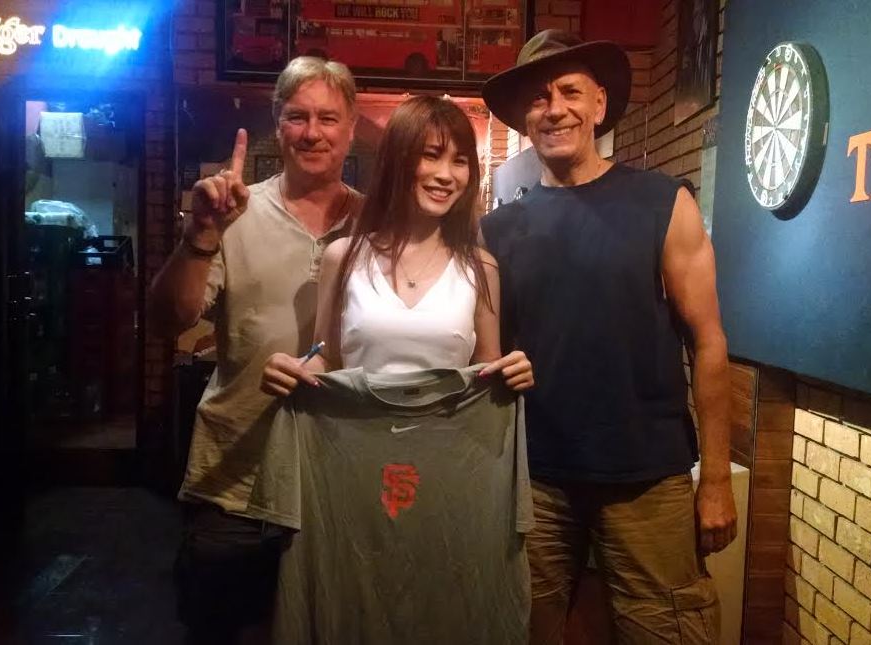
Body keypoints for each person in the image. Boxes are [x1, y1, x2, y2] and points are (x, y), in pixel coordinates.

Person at [480, 29, 738, 644]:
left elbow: (709, 342)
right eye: (539, 98)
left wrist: (717, 479)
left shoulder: (663, 203)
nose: (555, 109)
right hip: (534, 477)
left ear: (599, 104)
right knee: (520, 631)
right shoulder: (497, 229)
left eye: (570, 92)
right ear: (523, 119)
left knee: (668, 632)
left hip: (646, 475)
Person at [258, 95, 534, 643]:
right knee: (357, 589)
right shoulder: (343, 257)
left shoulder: (479, 267)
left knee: (441, 597)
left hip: (448, 471)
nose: (446, 174)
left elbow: (486, 368)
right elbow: (328, 355)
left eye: (460, 161)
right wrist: (290, 368)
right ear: (398, 160)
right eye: (431, 155)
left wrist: (513, 369)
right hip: (355, 466)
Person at [149, 57, 362, 644]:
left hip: (338, 482)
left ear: (351, 128)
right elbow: (168, 321)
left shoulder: (377, 224)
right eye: (297, 116)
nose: (312, 132)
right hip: (235, 478)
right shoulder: (234, 213)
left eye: (328, 118)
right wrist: (200, 237)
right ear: (276, 123)